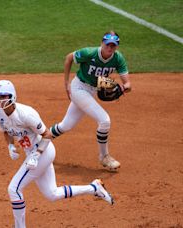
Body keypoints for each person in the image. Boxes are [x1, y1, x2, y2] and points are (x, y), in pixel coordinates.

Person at [0, 79, 114, 228]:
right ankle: (94, 188)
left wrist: (36, 155)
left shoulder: (26, 114)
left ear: (12, 96)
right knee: (52, 194)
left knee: (14, 189)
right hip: (32, 154)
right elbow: (6, 131)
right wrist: (10, 146)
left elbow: (47, 135)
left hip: (43, 151)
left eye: (3, 96)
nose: (0, 100)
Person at [49, 31, 132, 171]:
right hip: (78, 88)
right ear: (102, 43)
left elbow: (128, 84)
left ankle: (39, 142)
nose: (110, 48)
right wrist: (66, 83)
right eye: (107, 45)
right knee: (104, 120)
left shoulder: (118, 58)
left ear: (116, 47)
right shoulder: (89, 53)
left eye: (113, 46)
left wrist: (122, 88)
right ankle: (104, 157)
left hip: (92, 91)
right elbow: (69, 58)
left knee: (66, 125)